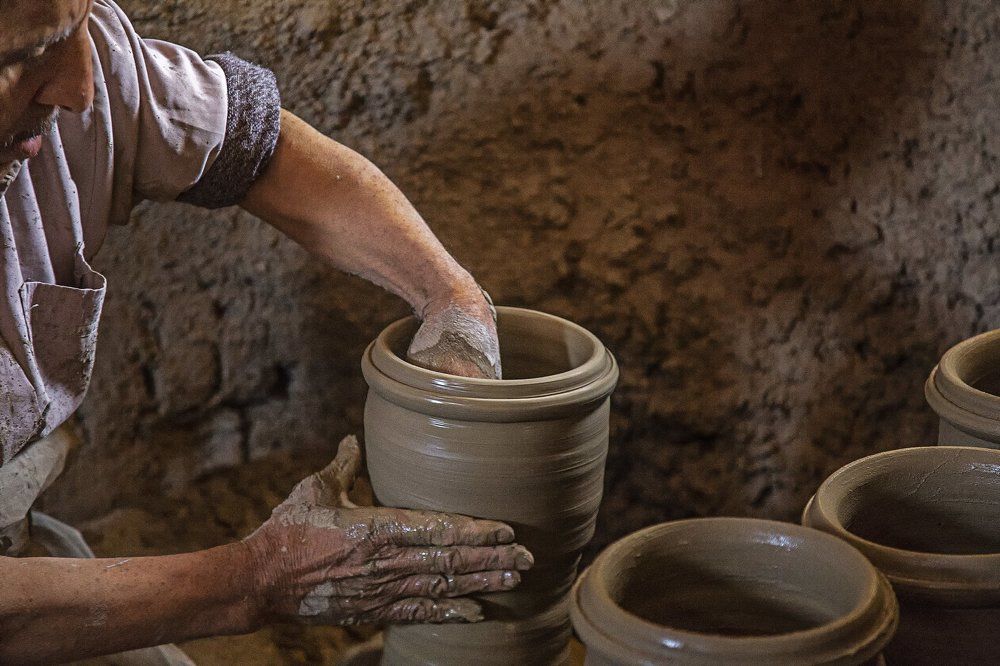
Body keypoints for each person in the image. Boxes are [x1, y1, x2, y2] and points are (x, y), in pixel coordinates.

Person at [0, 1, 528, 662]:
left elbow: (259, 148)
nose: (79, 86)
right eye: (22, 56)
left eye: (75, 26)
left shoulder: (74, 71)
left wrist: (451, 298)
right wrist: (256, 579)